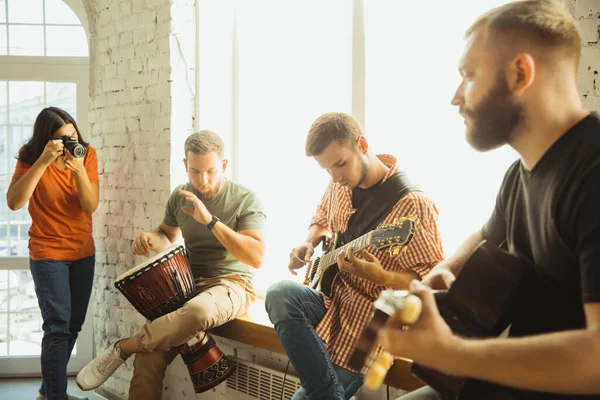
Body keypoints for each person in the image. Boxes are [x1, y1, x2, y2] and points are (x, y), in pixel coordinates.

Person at [377, 1, 600, 399]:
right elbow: (487, 233)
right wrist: (438, 275)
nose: (455, 97)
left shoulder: (593, 174)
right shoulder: (520, 175)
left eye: (468, 76)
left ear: (520, 73)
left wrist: (453, 353)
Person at [265, 112, 445, 399]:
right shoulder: (340, 183)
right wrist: (308, 243)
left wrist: (383, 276)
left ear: (362, 144)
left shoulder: (413, 203)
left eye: (340, 164)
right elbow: (322, 217)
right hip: (330, 300)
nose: (336, 177)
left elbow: (432, 281)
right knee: (279, 293)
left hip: (372, 325)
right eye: (327, 170)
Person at [75, 130, 266, 399]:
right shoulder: (180, 195)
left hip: (233, 285)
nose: (203, 180)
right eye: (195, 172)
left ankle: (126, 346)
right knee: (148, 358)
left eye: (211, 171)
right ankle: (137, 349)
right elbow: (166, 234)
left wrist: (210, 221)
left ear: (223, 165)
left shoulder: (245, 198)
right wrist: (150, 238)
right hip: (188, 285)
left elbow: (256, 257)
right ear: (185, 166)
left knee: (197, 312)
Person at [6, 107, 99, 400]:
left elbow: (90, 204)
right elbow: (14, 202)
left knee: (73, 325)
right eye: (62, 139)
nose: (69, 143)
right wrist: (44, 161)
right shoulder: (30, 155)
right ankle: (56, 397)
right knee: (57, 327)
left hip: (83, 252)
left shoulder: (87, 155)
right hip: (48, 253)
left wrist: (79, 168)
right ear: (47, 140)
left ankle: (48, 391)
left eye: (72, 136)